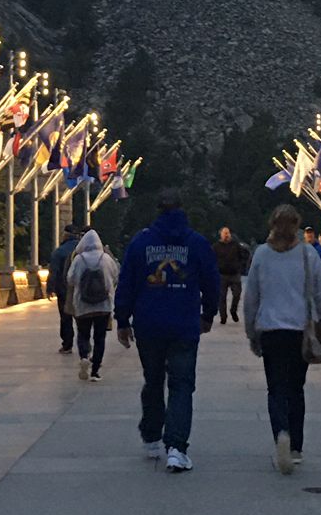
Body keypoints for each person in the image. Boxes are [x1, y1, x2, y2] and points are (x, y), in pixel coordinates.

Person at [115, 188, 220, 472]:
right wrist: (208, 313)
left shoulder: (141, 242)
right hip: (184, 324)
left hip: (148, 323)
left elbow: (127, 282)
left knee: (153, 380)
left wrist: (122, 319)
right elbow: (212, 282)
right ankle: (177, 447)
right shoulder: (196, 243)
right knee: (181, 385)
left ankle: (151, 436)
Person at [243, 203, 321, 474]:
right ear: (297, 226)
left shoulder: (261, 254)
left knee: (276, 389)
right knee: (296, 388)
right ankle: (295, 447)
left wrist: (251, 331)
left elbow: (251, 297)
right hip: (300, 331)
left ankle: (280, 433)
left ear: (272, 224)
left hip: (271, 330)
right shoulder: (308, 254)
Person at [66, 226, 119, 382]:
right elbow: (116, 276)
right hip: (103, 306)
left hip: (83, 305)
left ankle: (84, 356)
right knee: (100, 337)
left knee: (83, 334)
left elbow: (70, 279)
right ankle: (95, 371)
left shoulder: (78, 259)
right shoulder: (106, 259)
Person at [46, 222, 83, 355]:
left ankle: (67, 345)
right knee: (81, 318)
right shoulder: (82, 250)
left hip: (64, 290)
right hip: (81, 289)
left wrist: (50, 288)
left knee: (66, 317)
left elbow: (54, 271)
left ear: (65, 235)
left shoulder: (59, 251)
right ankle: (84, 344)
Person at [213, 225, 247, 326]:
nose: (226, 235)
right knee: (221, 297)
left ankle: (233, 310)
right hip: (221, 275)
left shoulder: (236, 245)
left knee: (237, 294)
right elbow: (210, 259)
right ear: (221, 235)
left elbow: (244, 255)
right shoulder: (216, 247)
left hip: (235, 274)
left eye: (227, 233)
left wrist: (241, 266)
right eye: (224, 233)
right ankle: (223, 317)